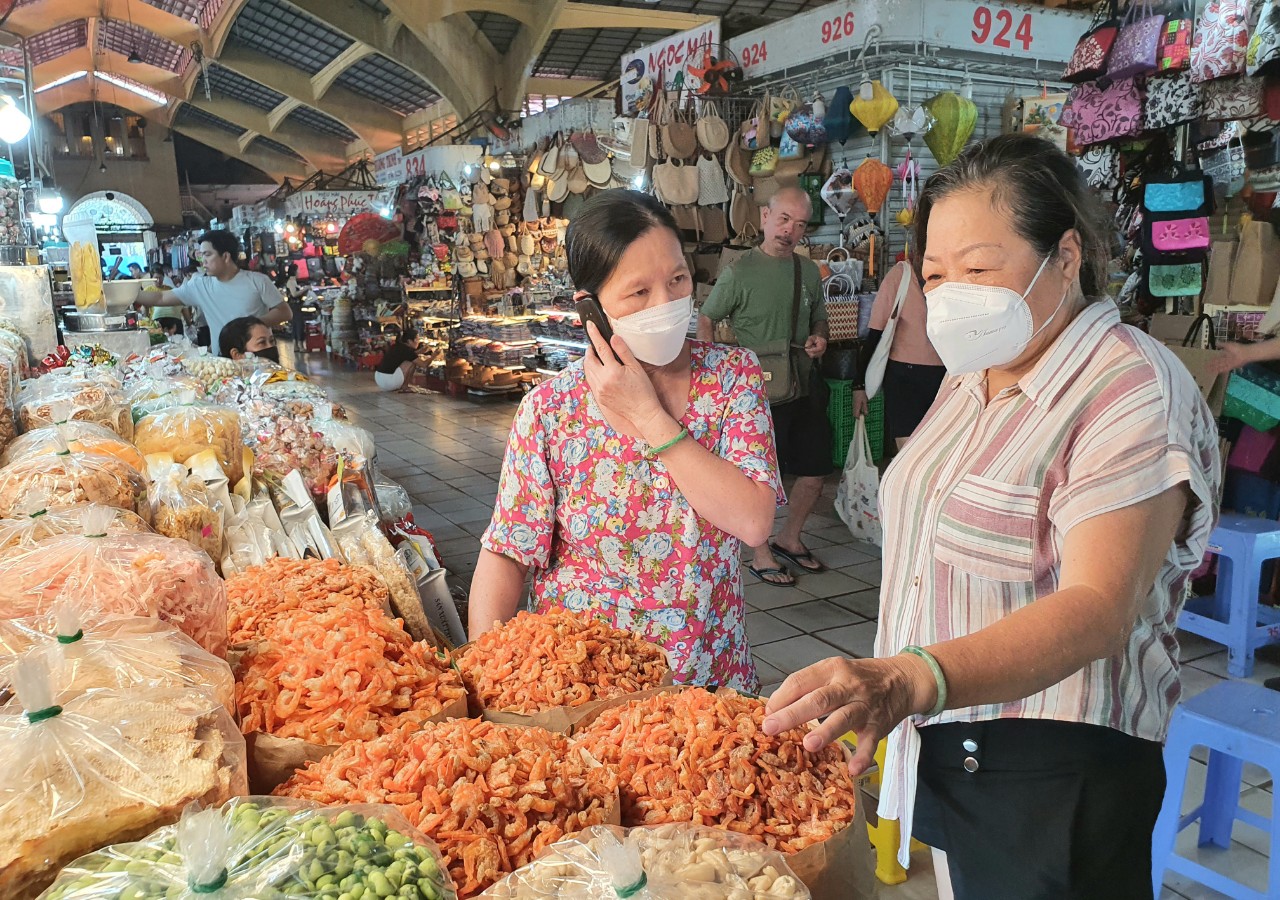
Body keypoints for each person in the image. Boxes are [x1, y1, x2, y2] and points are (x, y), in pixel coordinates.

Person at [760, 134, 1220, 900]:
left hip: (1055, 771)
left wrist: (908, 678)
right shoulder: (971, 374)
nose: (952, 296)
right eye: (935, 275)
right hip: (953, 738)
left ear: (1065, 257)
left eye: (979, 269)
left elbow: (1098, 610)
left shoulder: (1129, 389)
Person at [470, 190, 781, 691]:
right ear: (589, 309)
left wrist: (645, 412)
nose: (668, 303)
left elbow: (752, 520)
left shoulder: (732, 378)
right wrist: (486, 679)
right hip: (580, 691)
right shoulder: (551, 409)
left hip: (707, 689)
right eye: (639, 293)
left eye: (678, 279)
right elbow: (508, 551)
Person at [697, 186, 830, 587]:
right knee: (763, 480)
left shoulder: (806, 270)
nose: (790, 230)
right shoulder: (741, 271)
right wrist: (712, 371)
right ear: (766, 216)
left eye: (801, 224)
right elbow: (707, 318)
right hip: (755, 393)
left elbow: (820, 318)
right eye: (784, 219)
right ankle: (760, 552)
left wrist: (820, 338)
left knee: (814, 471)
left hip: (803, 383)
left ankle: (790, 538)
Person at [853, 260, 946, 456]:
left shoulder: (902, 274)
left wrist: (859, 384)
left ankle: (911, 485)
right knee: (939, 446)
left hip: (906, 373)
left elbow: (876, 330)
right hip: (945, 372)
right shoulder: (956, 271)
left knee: (908, 449)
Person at [169, 230, 291, 353]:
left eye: (207, 254)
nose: (203, 261)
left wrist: (249, 326)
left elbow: (285, 312)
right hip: (224, 364)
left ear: (226, 256)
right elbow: (160, 298)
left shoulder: (258, 281)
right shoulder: (201, 285)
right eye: (202, 255)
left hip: (258, 360)